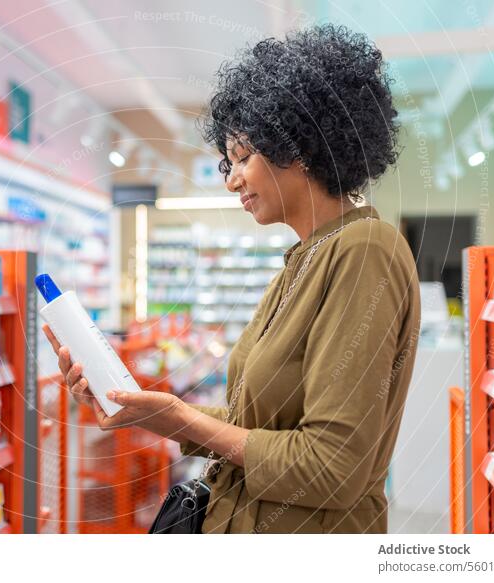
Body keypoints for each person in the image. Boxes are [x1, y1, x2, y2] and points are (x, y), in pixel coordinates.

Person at [43, 24, 420, 534]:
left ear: (300, 146)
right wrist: (145, 411)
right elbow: (262, 421)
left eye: (244, 157)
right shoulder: (304, 258)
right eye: (228, 161)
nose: (231, 179)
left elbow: (334, 467)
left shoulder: (364, 251)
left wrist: (181, 417)